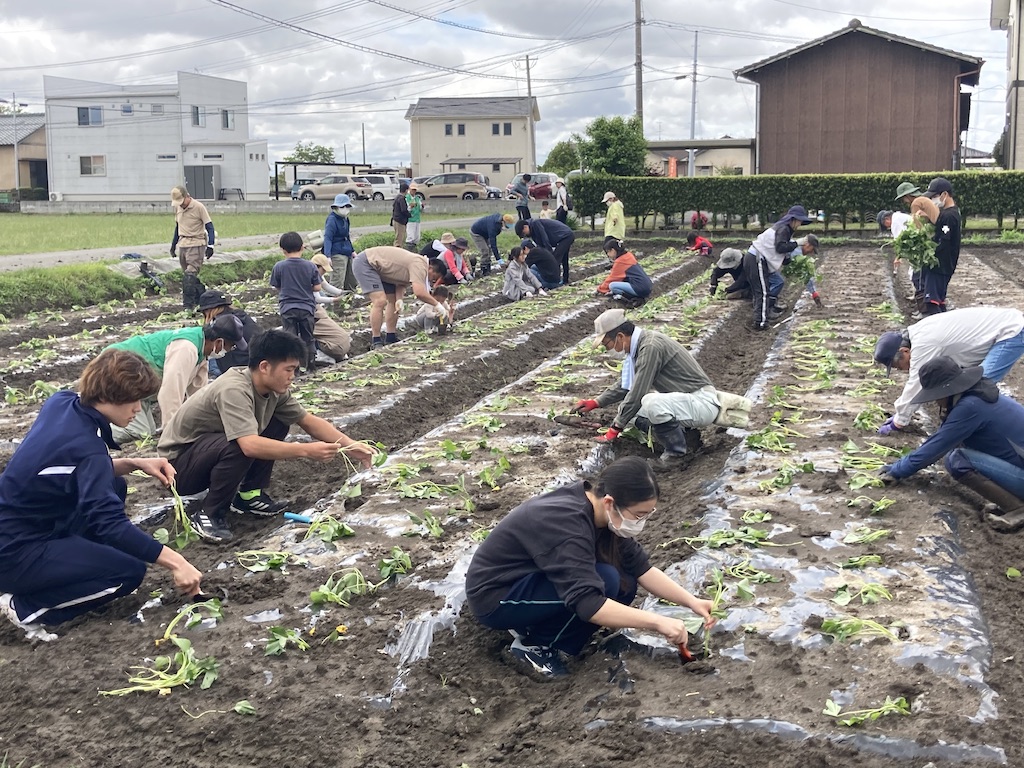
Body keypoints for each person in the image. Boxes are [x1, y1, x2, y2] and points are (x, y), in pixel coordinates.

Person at [0, 349, 202, 639]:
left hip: (16, 525)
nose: (138, 409)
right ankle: (25, 607)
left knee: (115, 484)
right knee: (127, 572)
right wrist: (177, 562)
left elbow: (72, 469)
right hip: (13, 553)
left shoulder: (62, 403)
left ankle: (68, 570)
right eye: (134, 401)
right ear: (109, 397)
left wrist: (134, 463)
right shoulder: (87, 450)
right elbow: (109, 524)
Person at [465, 456, 715, 678]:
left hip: (530, 583)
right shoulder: (567, 526)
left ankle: (540, 626)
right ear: (610, 502)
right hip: (497, 597)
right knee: (605, 581)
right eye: (639, 515)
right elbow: (587, 601)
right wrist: (658, 622)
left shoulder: (602, 515)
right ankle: (535, 646)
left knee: (623, 580)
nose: (642, 522)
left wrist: (692, 602)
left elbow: (642, 569)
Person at [157, 330, 377, 542]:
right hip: (178, 469)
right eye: (288, 370)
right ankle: (209, 513)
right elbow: (249, 446)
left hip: (205, 453)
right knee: (241, 444)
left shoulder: (273, 390)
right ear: (264, 367)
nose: (292, 377)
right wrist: (306, 450)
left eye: (295, 370)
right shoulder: (234, 389)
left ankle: (249, 496)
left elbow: (308, 421)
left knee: (279, 422)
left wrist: (351, 445)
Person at [571, 309, 751, 465]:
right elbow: (626, 386)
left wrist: (614, 429)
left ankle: (676, 455)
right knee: (631, 413)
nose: (607, 349)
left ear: (619, 336)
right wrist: (596, 402)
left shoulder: (650, 347)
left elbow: (637, 391)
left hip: (701, 401)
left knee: (650, 402)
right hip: (688, 402)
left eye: (606, 344)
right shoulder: (639, 346)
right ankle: (687, 439)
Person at [879, 357, 1024, 533]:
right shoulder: (977, 395)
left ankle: (1018, 509)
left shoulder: (971, 406)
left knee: (957, 459)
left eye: (935, 396)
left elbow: (937, 446)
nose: (934, 401)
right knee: (964, 450)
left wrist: (896, 471)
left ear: (945, 391)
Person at [872, 307, 1024, 435]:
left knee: (981, 388)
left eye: (900, 366)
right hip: (1001, 326)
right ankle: (961, 426)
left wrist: (899, 421)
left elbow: (916, 384)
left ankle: (984, 431)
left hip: (1010, 332)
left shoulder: (924, 344)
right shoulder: (918, 333)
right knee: (965, 385)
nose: (904, 370)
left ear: (904, 351)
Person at [105, 314, 247, 445]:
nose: (229, 350)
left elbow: (199, 395)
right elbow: (170, 393)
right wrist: (172, 435)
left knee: (148, 431)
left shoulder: (202, 351)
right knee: (138, 431)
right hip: (117, 369)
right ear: (219, 342)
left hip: (139, 387)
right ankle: (97, 434)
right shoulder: (186, 348)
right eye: (231, 346)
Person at [351, 245, 451, 349]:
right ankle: (376, 340)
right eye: (433, 277)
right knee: (380, 301)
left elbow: (401, 283)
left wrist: (399, 299)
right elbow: (419, 292)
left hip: (383, 270)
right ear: (430, 268)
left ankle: (391, 336)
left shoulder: (418, 266)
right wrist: (437, 304)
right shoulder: (420, 265)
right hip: (367, 263)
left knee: (393, 301)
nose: (431, 280)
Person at [743, 205, 812, 330]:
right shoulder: (784, 228)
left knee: (763, 291)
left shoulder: (784, 229)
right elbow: (780, 247)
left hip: (755, 259)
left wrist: (789, 260)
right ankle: (760, 323)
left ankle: (761, 319)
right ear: (793, 219)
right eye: (799, 221)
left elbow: (782, 251)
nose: (800, 224)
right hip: (757, 259)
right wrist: (798, 242)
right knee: (763, 292)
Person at [270, 231, 321, 371]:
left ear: (283, 250)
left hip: (287, 308)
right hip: (307, 307)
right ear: (302, 247)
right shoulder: (310, 266)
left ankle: (293, 369)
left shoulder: (279, 266)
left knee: (290, 339)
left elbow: (276, 286)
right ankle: (311, 366)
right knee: (308, 338)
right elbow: (317, 287)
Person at [917, 177, 961, 315]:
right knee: (939, 301)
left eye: (934, 196)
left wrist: (928, 255)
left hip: (939, 265)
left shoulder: (948, 216)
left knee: (931, 302)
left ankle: (938, 331)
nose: (932, 201)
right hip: (945, 265)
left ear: (945, 195)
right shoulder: (951, 213)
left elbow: (943, 241)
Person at [169, 186, 215, 310]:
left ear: (187, 196)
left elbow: (210, 227)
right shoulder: (178, 208)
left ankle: (188, 306)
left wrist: (211, 245)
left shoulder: (198, 207)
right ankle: (203, 297)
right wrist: (173, 245)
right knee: (188, 277)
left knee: (190, 275)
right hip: (183, 244)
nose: (181, 205)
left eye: (182, 202)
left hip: (196, 244)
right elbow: (177, 228)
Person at [196, 289, 260, 376]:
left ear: (208, 310)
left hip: (240, 365)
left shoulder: (222, 324)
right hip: (256, 362)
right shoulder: (241, 316)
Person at [309, 254, 354, 363]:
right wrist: (333, 300)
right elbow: (317, 298)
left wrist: (341, 293)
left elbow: (327, 286)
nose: (324, 272)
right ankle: (316, 354)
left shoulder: (317, 274)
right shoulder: (309, 275)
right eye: (323, 270)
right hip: (311, 308)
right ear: (317, 266)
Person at [514, 217, 575, 286]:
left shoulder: (536, 224)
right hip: (564, 236)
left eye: (523, 233)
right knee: (563, 258)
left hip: (565, 236)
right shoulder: (532, 232)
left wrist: (549, 253)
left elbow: (544, 239)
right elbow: (540, 245)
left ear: (525, 227)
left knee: (555, 259)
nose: (525, 236)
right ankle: (565, 280)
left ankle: (555, 282)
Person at [596, 237, 652, 306]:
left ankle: (633, 299)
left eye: (608, 252)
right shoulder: (628, 256)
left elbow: (612, 278)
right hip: (646, 286)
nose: (608, 255)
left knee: (613, 286)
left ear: (613, 250)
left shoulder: (620, 262)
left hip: (640, 288)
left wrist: (600, 289)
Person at [323, 193, 357, 293]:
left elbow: (347, 236)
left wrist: (352, 251)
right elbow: (328, 238)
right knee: (337, 281)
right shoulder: (332, 220)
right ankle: (332, 303)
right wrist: (328, 256)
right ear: (336, 207)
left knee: (351, 280)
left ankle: (349, 300)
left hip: (346, 251)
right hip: (337, 253)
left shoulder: (345, 219)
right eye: (343, 207)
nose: (345, 209)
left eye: (347, 206)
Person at [391, 182, 411, 247]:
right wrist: (409, 215)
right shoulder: (402, 198)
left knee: (398, 237)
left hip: (396, 219)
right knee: (399, 239)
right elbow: (404, 210)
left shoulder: (397, 197)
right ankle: (397, 253)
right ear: (406, 190)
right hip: (400, 221)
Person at [406, 183, 423, 249]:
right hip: (410, 219)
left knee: (417, 237)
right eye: (413, 190)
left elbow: (420, 207)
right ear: (410, 189)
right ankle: (409, 249)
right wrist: (410, 206)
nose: (414, 191)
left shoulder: (417, 198)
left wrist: (422, 207)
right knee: (410, 235)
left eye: (415, 190)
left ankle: (414, 248)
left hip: (417, 219)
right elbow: (406, 209)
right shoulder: (407, 198)